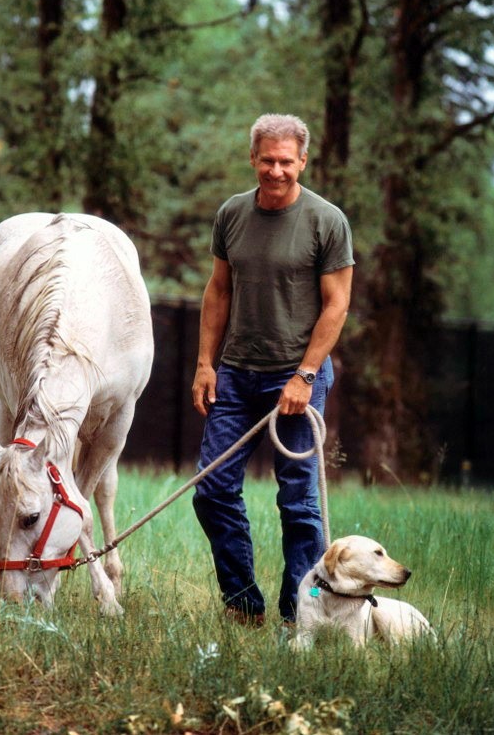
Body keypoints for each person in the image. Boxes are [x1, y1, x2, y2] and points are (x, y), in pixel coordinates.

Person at [191, 113, 354, 627]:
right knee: (212, 490)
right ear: (253, 158)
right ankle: (243, 606)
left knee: (300, 506)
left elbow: (337, 305)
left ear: (303, 161)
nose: (277, 170)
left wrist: (305, 375)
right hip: (237, 375)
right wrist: (205, 365)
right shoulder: (232, 214)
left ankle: (298, 617)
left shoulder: (328, 221)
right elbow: (218, 290)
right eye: (268, 160)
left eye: (287, 161)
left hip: (297, 378)